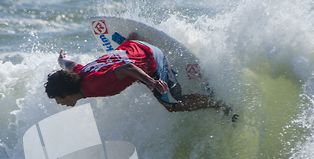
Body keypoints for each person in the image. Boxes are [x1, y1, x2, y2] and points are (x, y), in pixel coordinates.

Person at [44, 37, 226, 112]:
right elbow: (69, 65)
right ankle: (132, 36)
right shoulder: (80, 74)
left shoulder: (93, 85)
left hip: (152, 59)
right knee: (118, 65)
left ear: (66, 92)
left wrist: (151, 81)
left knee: (173, 106)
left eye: (57, 98)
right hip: (133, 45)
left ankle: (218, 102)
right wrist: (61, 61)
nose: (59, 102)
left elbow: (126, 68)